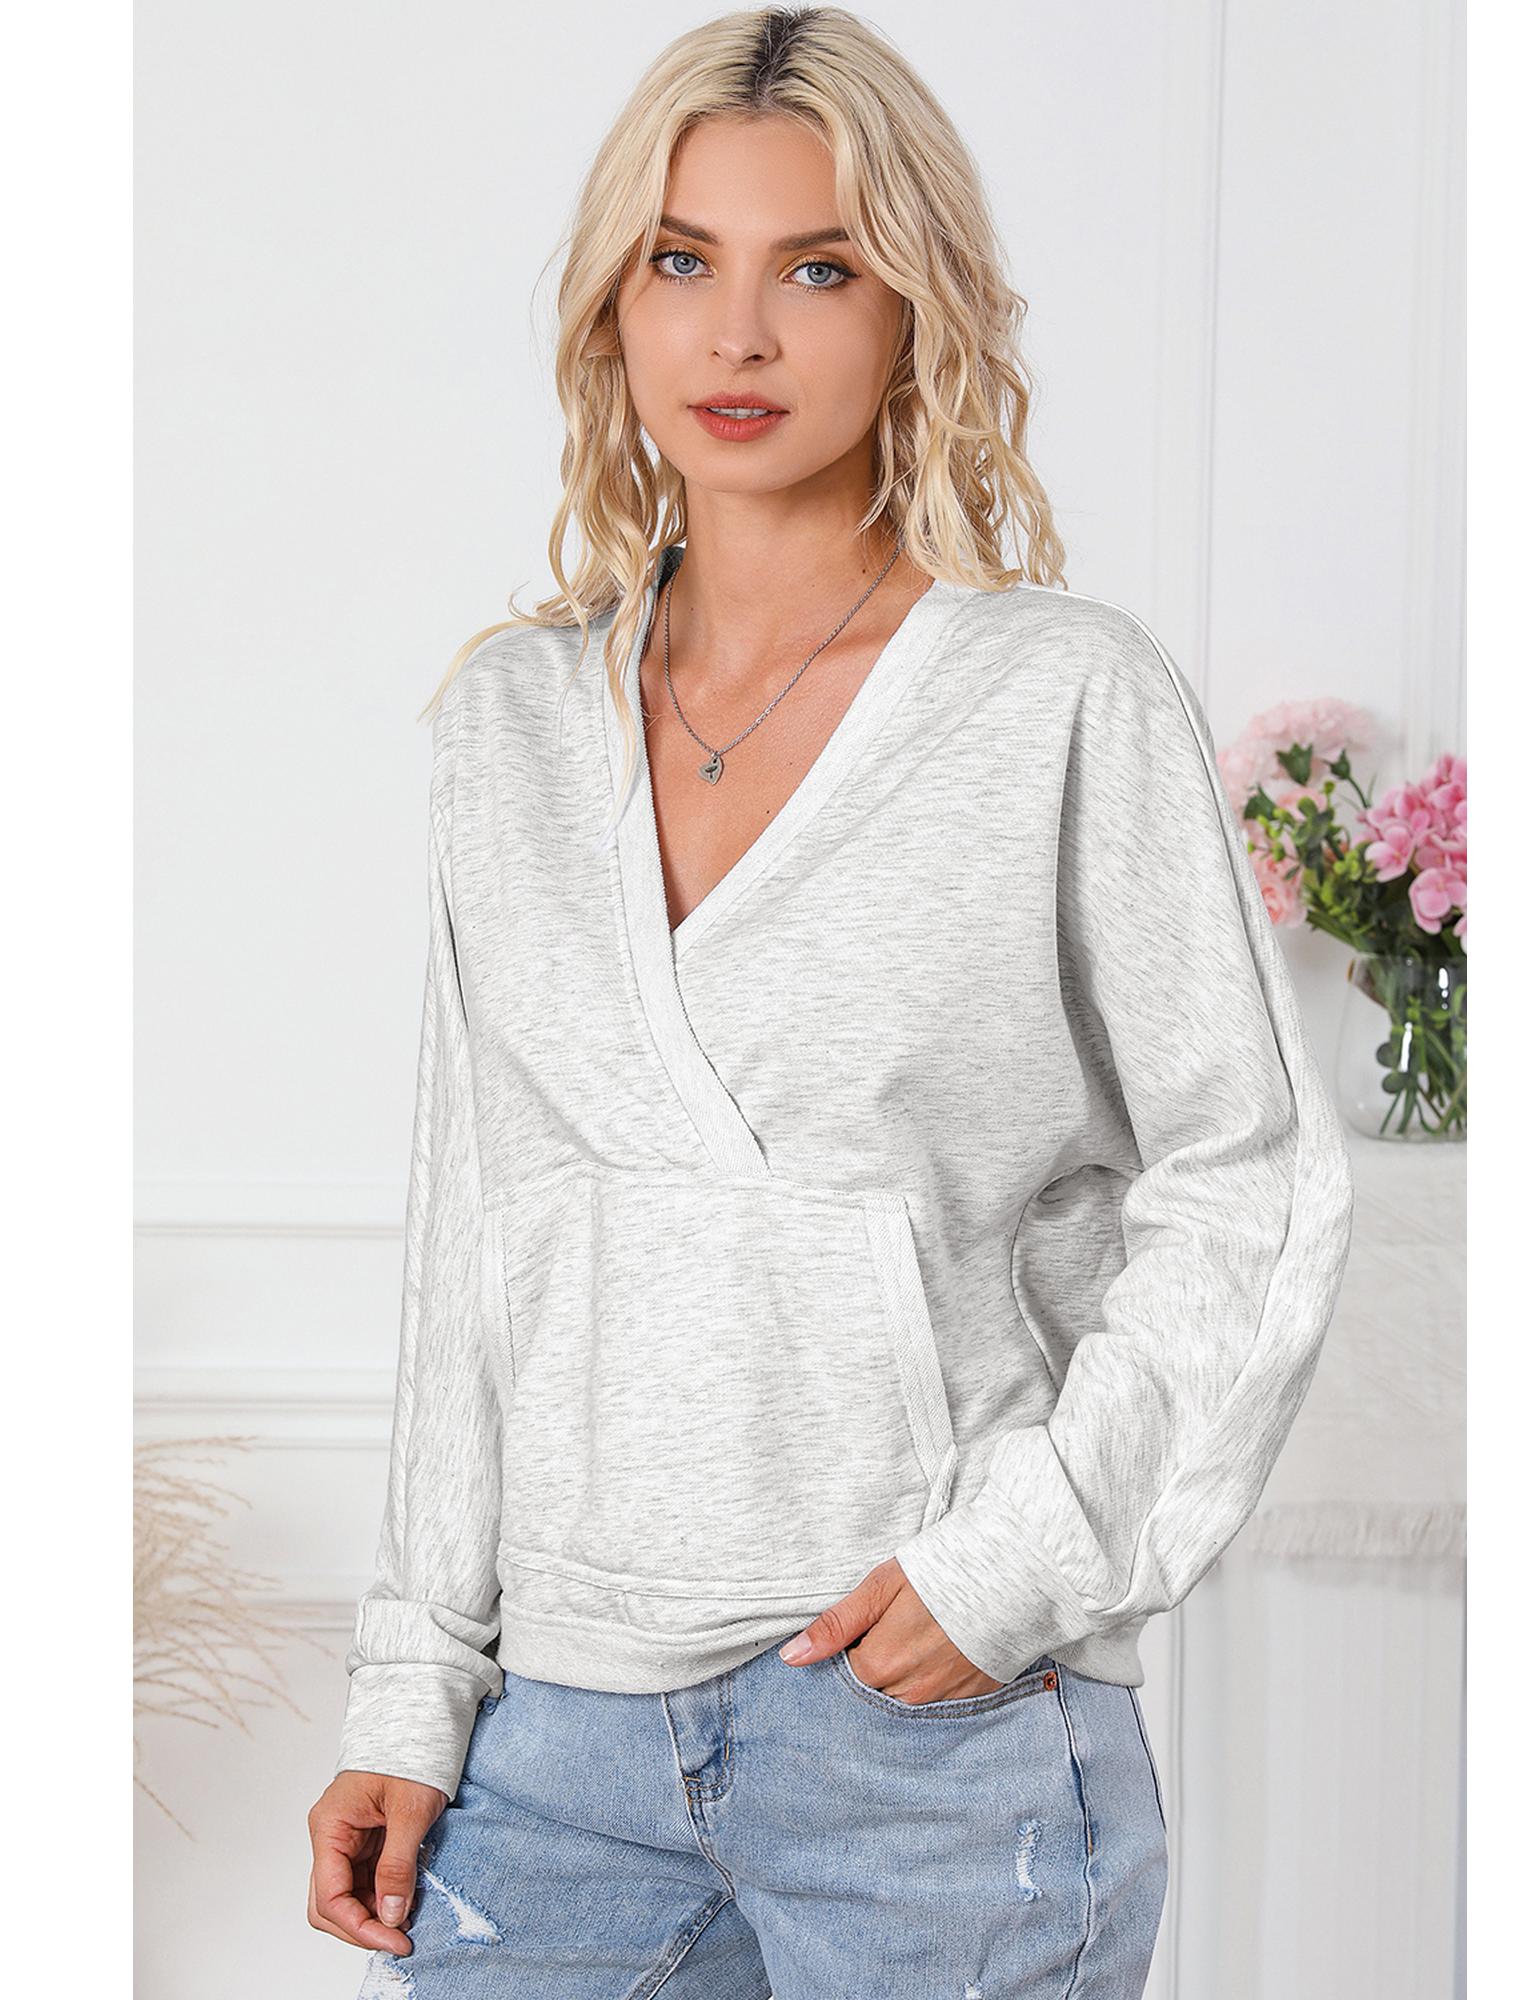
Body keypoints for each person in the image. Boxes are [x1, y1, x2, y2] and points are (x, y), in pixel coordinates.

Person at [305, 7, 1355, 1993]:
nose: (738, 334)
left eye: (818, 269)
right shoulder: (507, 726)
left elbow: (1249, 1177)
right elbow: (475, 1232)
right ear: (613, 304)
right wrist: (409, 1682)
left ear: (911, 311)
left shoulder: (1060, 698)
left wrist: (1020, 1561)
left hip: (932, 1742)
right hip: (557, 1747)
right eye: (680, 260)